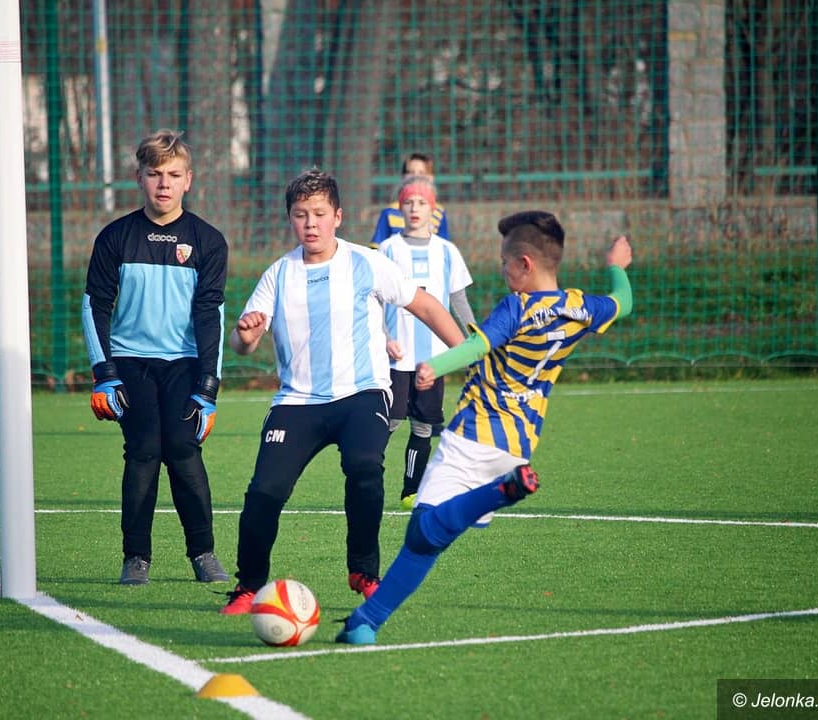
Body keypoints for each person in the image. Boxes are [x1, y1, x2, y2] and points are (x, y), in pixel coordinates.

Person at [336, 211, 634, 644]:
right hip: (517, 445)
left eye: (505, 262)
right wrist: (616, 266)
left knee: (423, 532)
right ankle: (365, 622)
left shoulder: (518, 306)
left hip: (473, 434)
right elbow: (624, 301)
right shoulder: (582, 306)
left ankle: (503, 492)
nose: (502, 270)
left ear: (525, 264)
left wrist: (434, 366)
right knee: (427, 540)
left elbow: (478, 345)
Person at [218, 168, 465, 615]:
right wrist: (245, 334)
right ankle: (248, 585)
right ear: (290, 219)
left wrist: (468, 355)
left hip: (362, 394)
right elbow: (241, 343)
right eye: (300, 215)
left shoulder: (366, 263)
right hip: (297, 401)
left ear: (338, 216)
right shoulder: (279, 274)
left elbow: (427, 306)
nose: (310, 223)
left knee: (365, 465)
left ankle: (364, 572)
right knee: (264, 491)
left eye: (319, 213)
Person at [81, 129, 230, 586]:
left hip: (184, 363)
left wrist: (208, 387)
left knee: (183, 449)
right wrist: (104, 373)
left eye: (174, 175)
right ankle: (136, 558)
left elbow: (211, 314)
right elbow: (95, 306)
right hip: (130, 362)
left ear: (189, 180)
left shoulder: (208, 241)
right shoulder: (115, 237)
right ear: (139, 178)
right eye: (155, 174)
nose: (164, 183)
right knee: (145, 449)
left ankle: (203, 554)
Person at [378, 175, 476, 510]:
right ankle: (368, 480)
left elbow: (458, 301)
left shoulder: (447, 251)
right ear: (400, 208)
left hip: (435, 358)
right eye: (408, 202)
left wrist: (474, 341)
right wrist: (385, 337)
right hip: (396, 355)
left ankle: (411, 490)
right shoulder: (388, 249)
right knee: (390, 420)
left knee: (423, 424)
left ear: (433, 209)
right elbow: (374, 299)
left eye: (421, 202)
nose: (414, 208)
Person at [369, 152, 450, 249]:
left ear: (431, 177)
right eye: (410, 172)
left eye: (421, 173)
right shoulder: (389, 212)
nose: (416, 176)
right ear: (403, 176)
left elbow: (444, 247)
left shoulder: (439, 212)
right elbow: (376, 248)